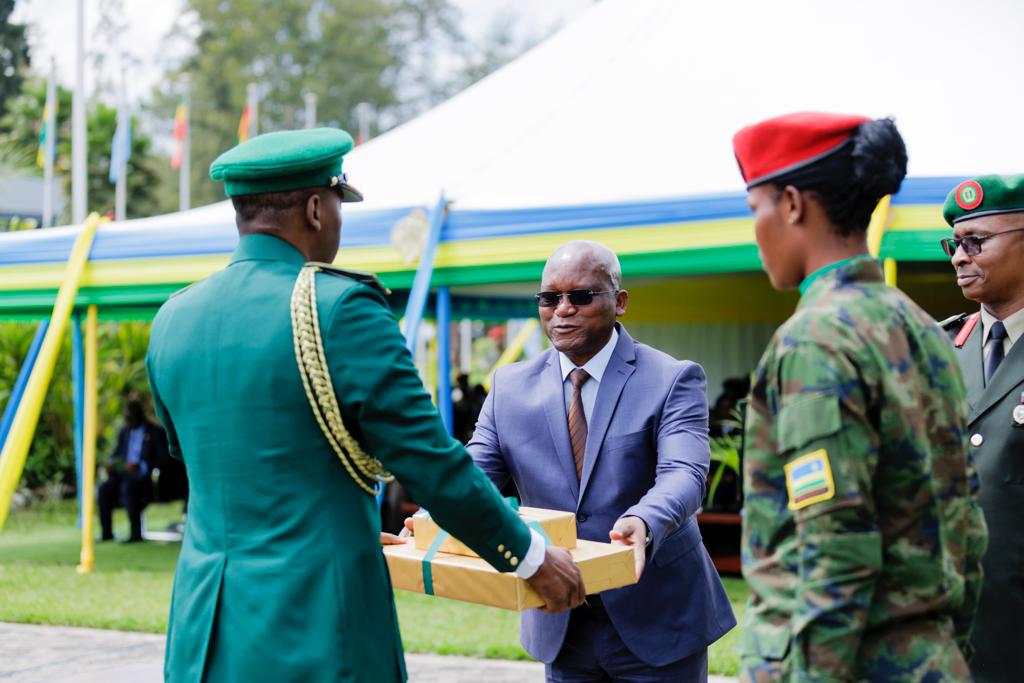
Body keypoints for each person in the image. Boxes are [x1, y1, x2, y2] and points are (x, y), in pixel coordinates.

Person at [146, 128, 585, 683]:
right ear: (313, 209)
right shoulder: (340, 307)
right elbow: (429, 461)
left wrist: (342, 518)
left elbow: (216, 464)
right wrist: (529, 556)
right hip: (313, 628)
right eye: (336, 205)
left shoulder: (174, 318)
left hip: (203, 632)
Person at [732, 112, 987, 681]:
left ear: (794, 204)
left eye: (756, 209)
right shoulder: (925, 331)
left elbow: (834, 551)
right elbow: (969, 528)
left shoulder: (816, 339)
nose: (754, 230)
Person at [467, 240, 736, 681]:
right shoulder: (509, 388)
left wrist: (647, 520)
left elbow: (684, 473)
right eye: (550, 298)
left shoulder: (672, 378)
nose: (563, 309)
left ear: (620, 301)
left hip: (657, 615)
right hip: (560, 616)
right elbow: (473, 475)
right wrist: (427, 519)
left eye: (581, 296)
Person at [939, 174, 1024, 683]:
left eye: (977, 242)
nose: (958, 257)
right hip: (944, 629)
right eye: (955, 243)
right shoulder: (935, 349)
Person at [98, 397, 166, 543]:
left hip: (146, 479)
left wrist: (140, 465)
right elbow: (117, 454)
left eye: (131, 417)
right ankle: (106, 533)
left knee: (129, 485)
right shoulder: (124, 432)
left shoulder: (154, 432)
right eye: (126, 417)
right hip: (123, 476)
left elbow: (163, 459)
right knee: (104, 488)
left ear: (139, 416)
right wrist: (112, 464)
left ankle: (136, 534)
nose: (128, 421)